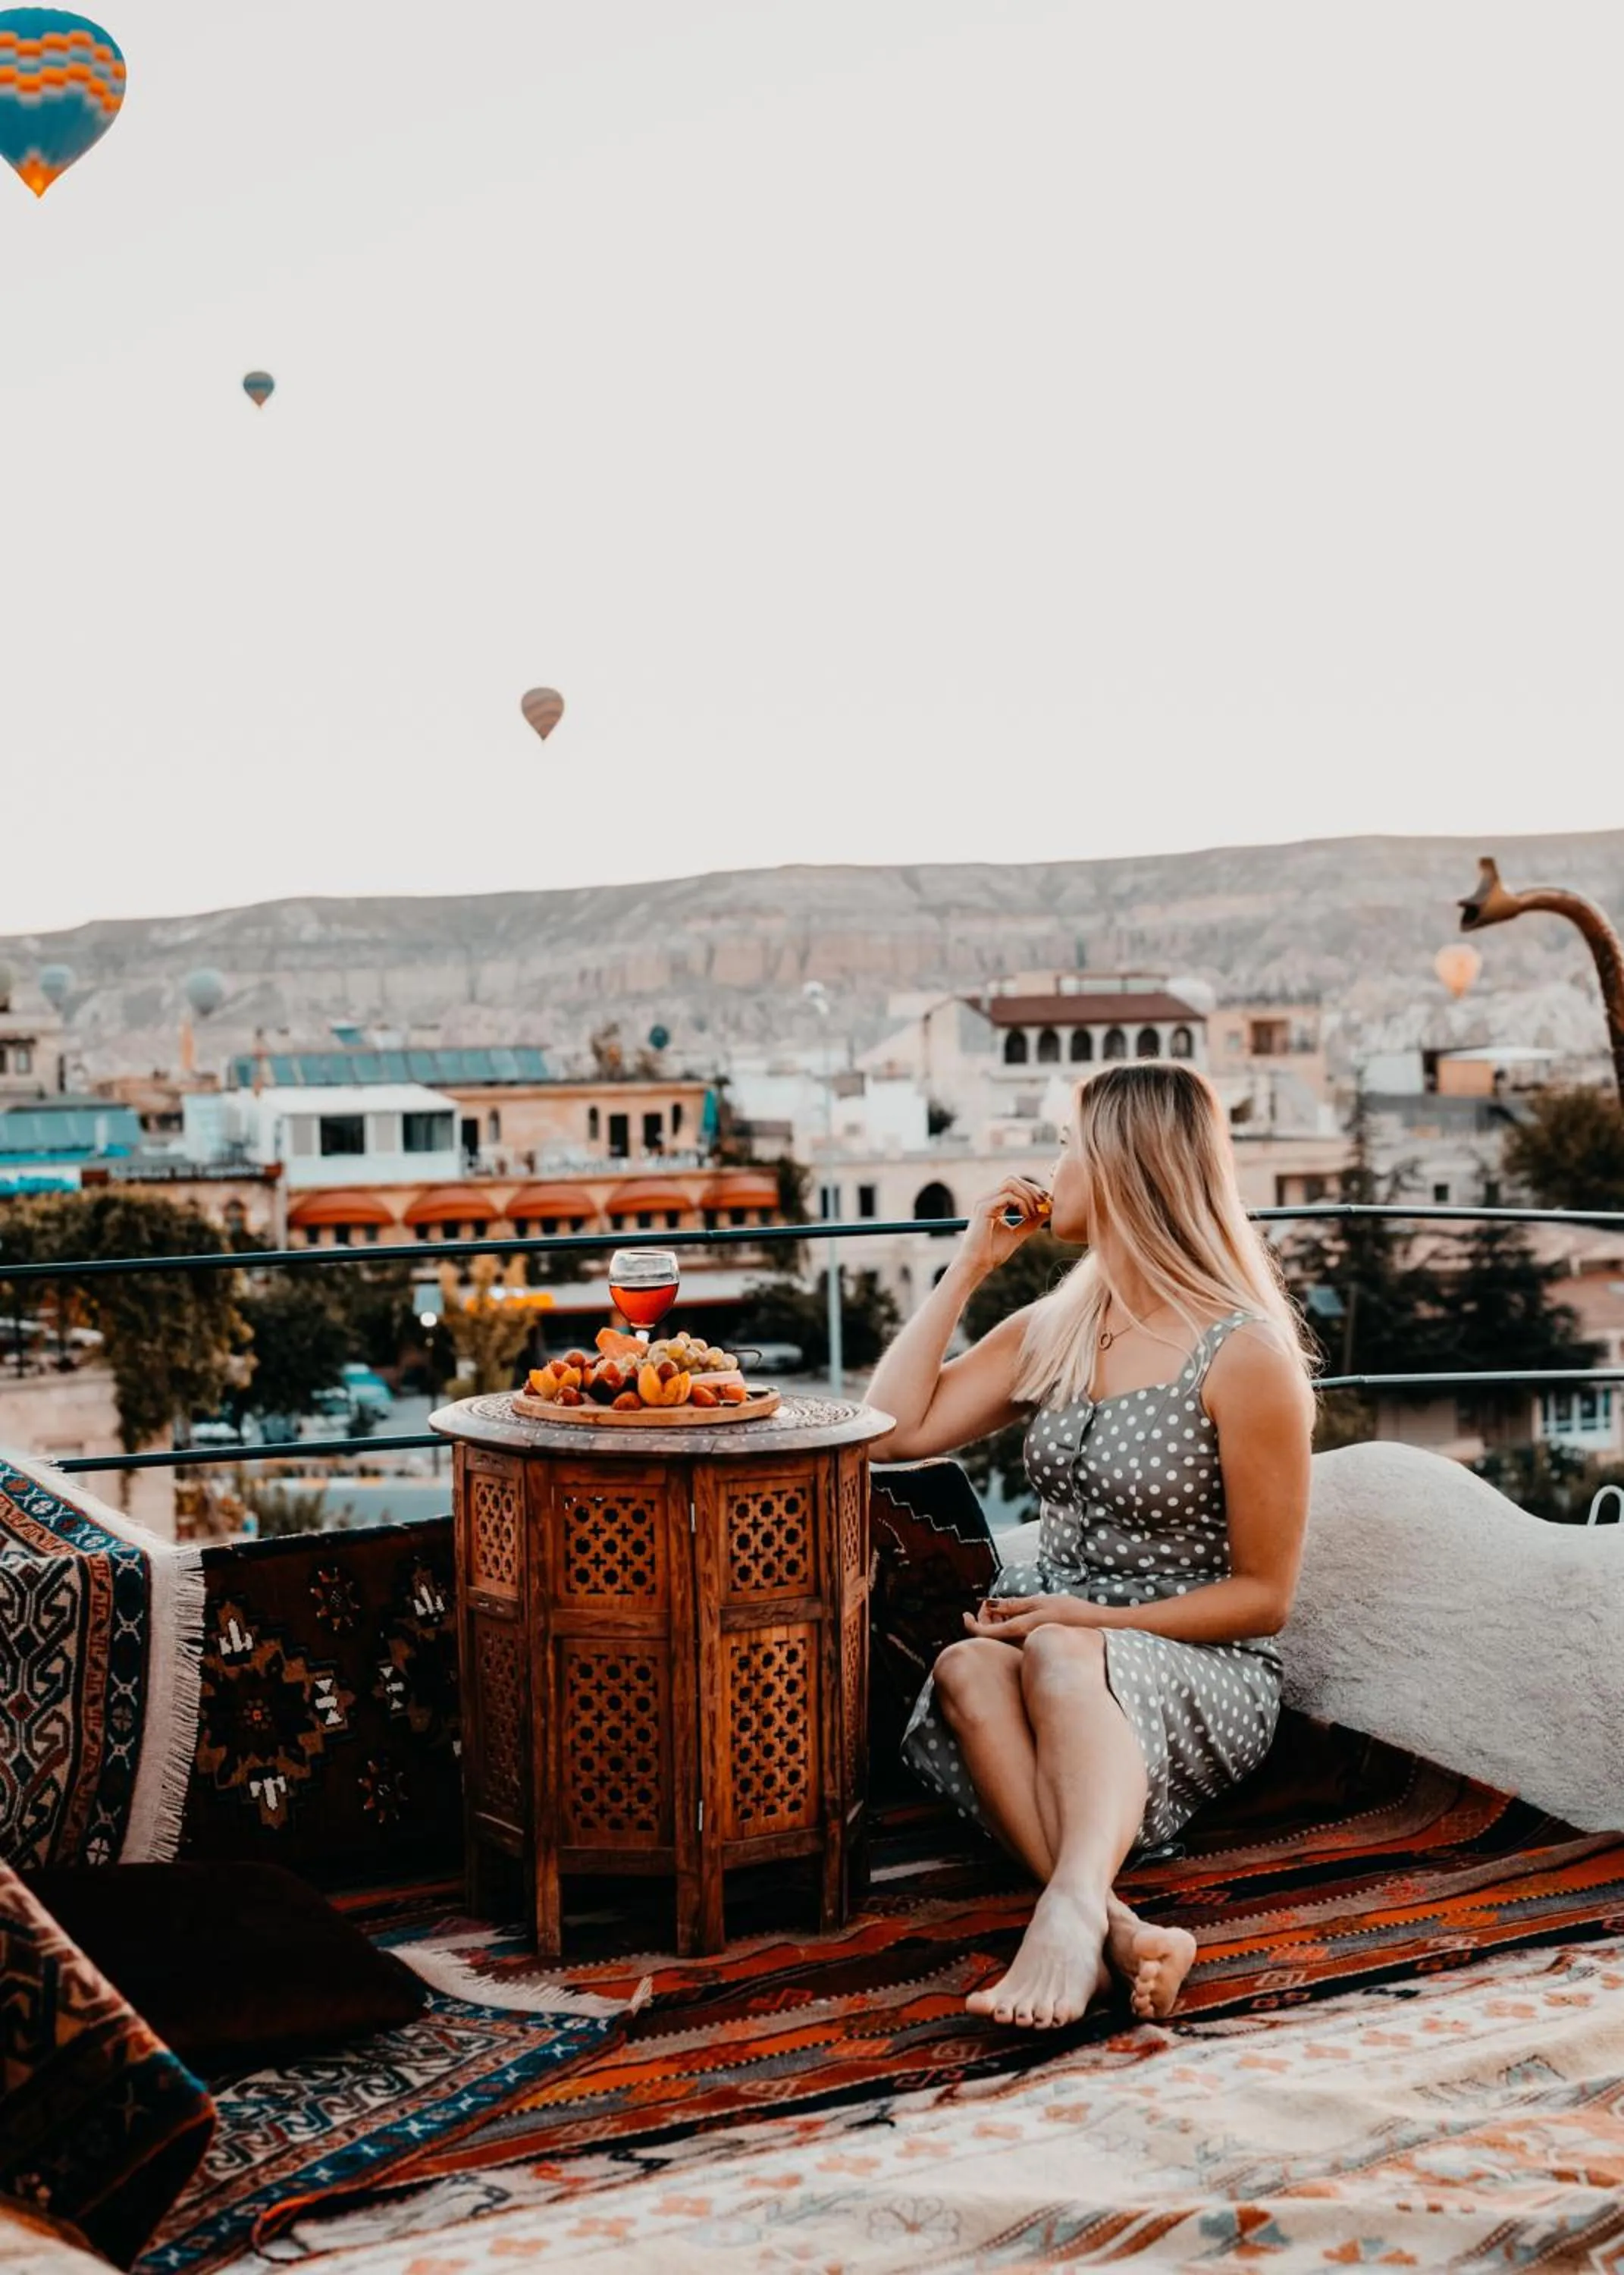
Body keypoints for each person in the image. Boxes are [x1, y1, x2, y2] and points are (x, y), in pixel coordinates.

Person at [867, 1061, 1316, 2032]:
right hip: (1055, 1646)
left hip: (1200, 1662)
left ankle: (1067, 1917)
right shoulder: (1063, 1324)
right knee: (965, 1670)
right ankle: (1110, 1920)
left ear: (1120, 1166)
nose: (1053, 1166)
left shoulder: (1246, 1355)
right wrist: (971, 1266)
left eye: (1069, 1145)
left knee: (1058, 1649)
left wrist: (1091, 1618)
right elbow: (893, 1427)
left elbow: (1264, 1598)